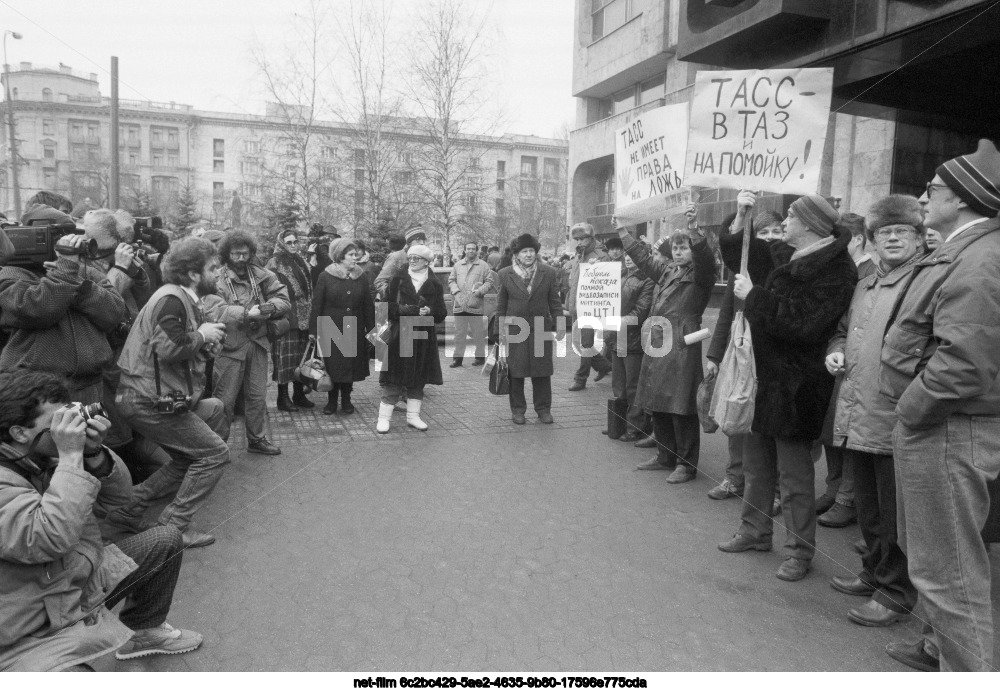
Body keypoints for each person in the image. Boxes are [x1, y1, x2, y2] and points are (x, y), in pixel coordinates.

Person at [881, 140, 1000, 672]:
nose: (924, 198)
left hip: (946, 428)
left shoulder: (979, 259)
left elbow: (964, 366)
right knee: (935, 558)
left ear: (963, 198)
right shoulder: (965, 250)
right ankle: (937, 647)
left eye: (932, 189)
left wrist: (910, 409)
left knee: (948, 574)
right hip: (942, 426)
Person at [0, 370, 202, 670]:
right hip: (32, 623)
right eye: (58, 422)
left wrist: (93, 453)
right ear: (19, 433)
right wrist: (71, 458)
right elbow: (46, 538)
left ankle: (144, 632)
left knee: (165, 539)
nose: (70, 428)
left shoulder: (42, 456)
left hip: (74, 580)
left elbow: (120, 499)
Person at [716, 194, 857, 582]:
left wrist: (754, 296)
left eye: (791, 216)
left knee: (794, 478)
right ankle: (754, 531)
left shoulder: (838, 270)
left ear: (809, 225)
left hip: (799, 388)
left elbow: (805, 323)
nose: (784, 222)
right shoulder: (788, 253)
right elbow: (740, 254)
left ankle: (799, 550)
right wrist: (741, 215)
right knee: (757, 465)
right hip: (764, 381)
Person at [824, 194, 924, 629]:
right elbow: (844, 330)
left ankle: (895, 593)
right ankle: (874, 573)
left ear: (919, 238)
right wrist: (835, 350)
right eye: (885, 232)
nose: (894, 238)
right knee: (869, 509)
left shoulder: (923, 281)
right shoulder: (865, 284)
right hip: (858, 410)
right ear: (872, 240)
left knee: (893, 514)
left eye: (903, 231)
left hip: (895, 415)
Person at [104, 236, 230, 549]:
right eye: (213, 268)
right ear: (193, 274)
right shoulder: (172, 299)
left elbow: (171, 350)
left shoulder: (182, 298)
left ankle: (126, 512)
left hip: (152, 398)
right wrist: (202, 336)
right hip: (148, 400)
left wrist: (204, 347)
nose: (219, 273)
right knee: (214, 454)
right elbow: (171, 347)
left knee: (190, 454)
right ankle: (173, 527)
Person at [616, 208, 717, 483]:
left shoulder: (702, 275)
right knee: (657, 400)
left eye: (684, 248)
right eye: (676, 248)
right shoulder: (669, 270)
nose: (679, 252)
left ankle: (686, 464)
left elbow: (705, 258)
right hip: (658, 342)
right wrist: (623, 232)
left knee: (681, 405)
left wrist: (694, 228)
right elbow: (643, 259)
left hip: (681, 344)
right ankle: (665, 456)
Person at [0, 214, 130, 405]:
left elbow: (114, 312)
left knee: (93, 426)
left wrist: (78, 283)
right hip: (37, 389)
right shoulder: (11, 275)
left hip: (89, 384)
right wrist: (65, 272)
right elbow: (39, 309)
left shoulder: (84, 271)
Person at [705, 196, 782, 500]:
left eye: (776, 231)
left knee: (768, 424)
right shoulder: (742, 270)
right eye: (764, 233)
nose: (771, 238)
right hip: (740, 355)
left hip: (771, 357)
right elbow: (726, 314)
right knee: (735, 412)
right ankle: (734, 477)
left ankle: (775, 489)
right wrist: (714, 356)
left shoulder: (788, 268)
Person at [815, 211, 874, 528]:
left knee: (849, 432)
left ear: (858, 240)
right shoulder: (843, 269)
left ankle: (847, 499)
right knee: (831, 428)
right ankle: (833, 488)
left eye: (840, 240)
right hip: (833, 354)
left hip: (854, 362)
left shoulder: (869, 272)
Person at [210, 230, 290, 456]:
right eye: (235, 254)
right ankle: (217, 445)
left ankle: (257, 439)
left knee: (257, 396)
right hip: (229, 346)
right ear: (226, 254)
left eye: (245, 254)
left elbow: (283, 299)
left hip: (258, 343)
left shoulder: (262, 275)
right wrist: (246, 313)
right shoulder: (216, 279)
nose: (241, 258)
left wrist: (269, 308)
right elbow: (213, 309)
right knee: (224, 399)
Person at [376, 244, 447, 433]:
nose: (413, 261)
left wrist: (430, 311)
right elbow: (385, 307)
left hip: (423, 337)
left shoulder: (435, 283)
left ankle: (413, 417)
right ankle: (383, 419)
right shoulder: (398, 279)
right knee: (393, 379)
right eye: (411, 257)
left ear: (427, 262)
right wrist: (408, 310)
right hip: (400, 334)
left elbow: (441, 313)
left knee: (418, 380)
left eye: (417, 258)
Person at [495, 233, 564, 425]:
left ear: (536, 252)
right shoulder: (505, 274)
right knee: (515, 372)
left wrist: (560, 324)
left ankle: (543, 410)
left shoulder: (548, 272)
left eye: (531, 251)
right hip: (516, 330)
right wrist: (499, 331)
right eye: (524, 251)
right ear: (516, 254)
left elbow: (555, 302)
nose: (528, 254)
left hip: (540, 328)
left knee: (542, 372)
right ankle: (518, 410)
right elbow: (501, 305)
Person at [310, 239, 376, 415]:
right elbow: (317, 305)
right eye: (351, 255)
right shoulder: (325, 276)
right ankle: (331, 401)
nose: (356, 257)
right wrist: (313, 330)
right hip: (331, 328)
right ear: (340, 256)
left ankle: (347, 400)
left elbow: (367, 305)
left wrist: (372, 331)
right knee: (333, 366)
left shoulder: (361, 276)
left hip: (354, 328)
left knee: (350, 365)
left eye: (356, 254)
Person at [602, 236, 653, 441]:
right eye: (627, 254)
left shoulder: (647, 280)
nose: (629, 257)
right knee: (618, 384)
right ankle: (618, 423)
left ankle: (635, 426)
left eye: (633, 254)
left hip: (633, 339)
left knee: (633, 386)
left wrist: (614, 321)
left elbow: (640, 312)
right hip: (618, 337)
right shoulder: (621, 274)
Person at [266, 229, 315, 412]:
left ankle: (299, 394)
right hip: (287, 317)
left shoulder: (301, 261)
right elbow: (271, 292)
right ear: (282, 244)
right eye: (289, 242)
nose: (293, 245)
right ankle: (283, 397)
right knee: (284, 358)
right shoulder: (274, 263)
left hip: (304, 316)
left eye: (295, 242)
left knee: (300, 357)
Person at [565, 222, 612, 390]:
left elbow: (605, 282)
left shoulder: (601, 255)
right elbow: (574, 281)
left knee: (585, 343)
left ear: (591, 238)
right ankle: (605, 366)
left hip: (591, 306)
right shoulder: (579, 255)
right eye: (576, 239)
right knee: (581, 342)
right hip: (578, 304)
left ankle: (581, 378)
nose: (579, 242)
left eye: (582, 238)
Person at [449, 241, 494, 368]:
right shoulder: (458, 265)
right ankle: (457, 360)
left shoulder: (483, 265)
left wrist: (480, 291)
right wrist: (456, 292)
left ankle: (480, 358)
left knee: (478, 333)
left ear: (477, 250)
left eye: (473, 249)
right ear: (464, 250)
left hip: (475, 304)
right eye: (468, 249)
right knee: (459, 334)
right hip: (460, 304)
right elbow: (451, 280)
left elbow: (490, 282)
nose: (470, 251)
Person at [375, 226, 427, 298]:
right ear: (409, 242)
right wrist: (392, 295)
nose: (422, 243)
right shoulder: (396, 257)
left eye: (423, 240)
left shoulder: (424, 259)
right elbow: (380, 281)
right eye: (418, 240)